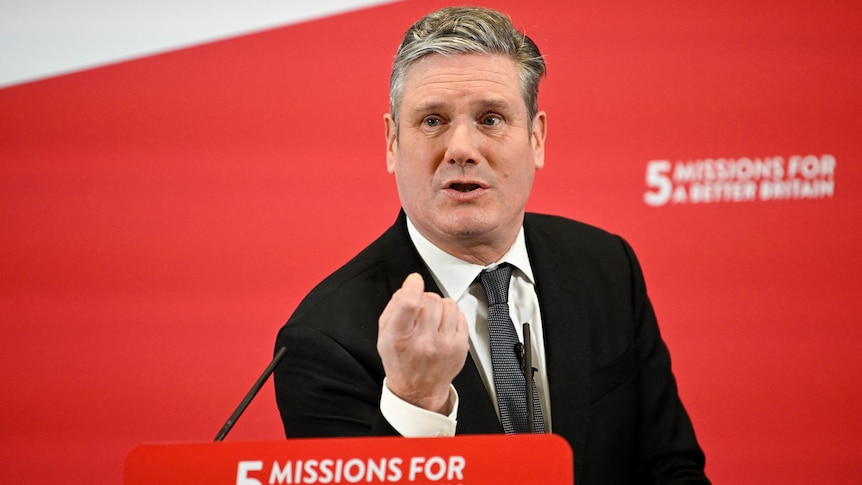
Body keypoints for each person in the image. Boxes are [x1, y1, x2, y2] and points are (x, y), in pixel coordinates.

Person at [274, 6, 710, 484]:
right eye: (433, 121)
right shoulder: (323, 340)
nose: (462, 147)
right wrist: (417, 405)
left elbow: (672, 469)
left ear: (536, 138)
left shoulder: (606, 267)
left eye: (491, 118)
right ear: (392, 143)